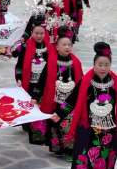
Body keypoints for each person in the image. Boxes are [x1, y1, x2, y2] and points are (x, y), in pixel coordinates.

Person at [66, 42, 117, 169]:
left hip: (108, 127)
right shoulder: (86, 81)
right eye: (100, 64)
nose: (103, 68)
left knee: (102, 153)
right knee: (86, 152)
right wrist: (59, 112)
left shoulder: (114, 82)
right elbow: (72, 98)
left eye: (106, 65)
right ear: (94, 65)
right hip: (88, 126)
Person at [34, 28, 83, 157]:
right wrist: (36, 95)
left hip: (71, 99)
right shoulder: (51, 62)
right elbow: (42, 79)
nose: (67, 47)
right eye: (64, 44)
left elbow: (80, 82)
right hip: (55, 99)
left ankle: (69, 149)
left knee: (68, 123)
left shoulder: (76, 63)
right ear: (57, 47)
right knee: (56, 123)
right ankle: (58, 148)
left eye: (69, 45)